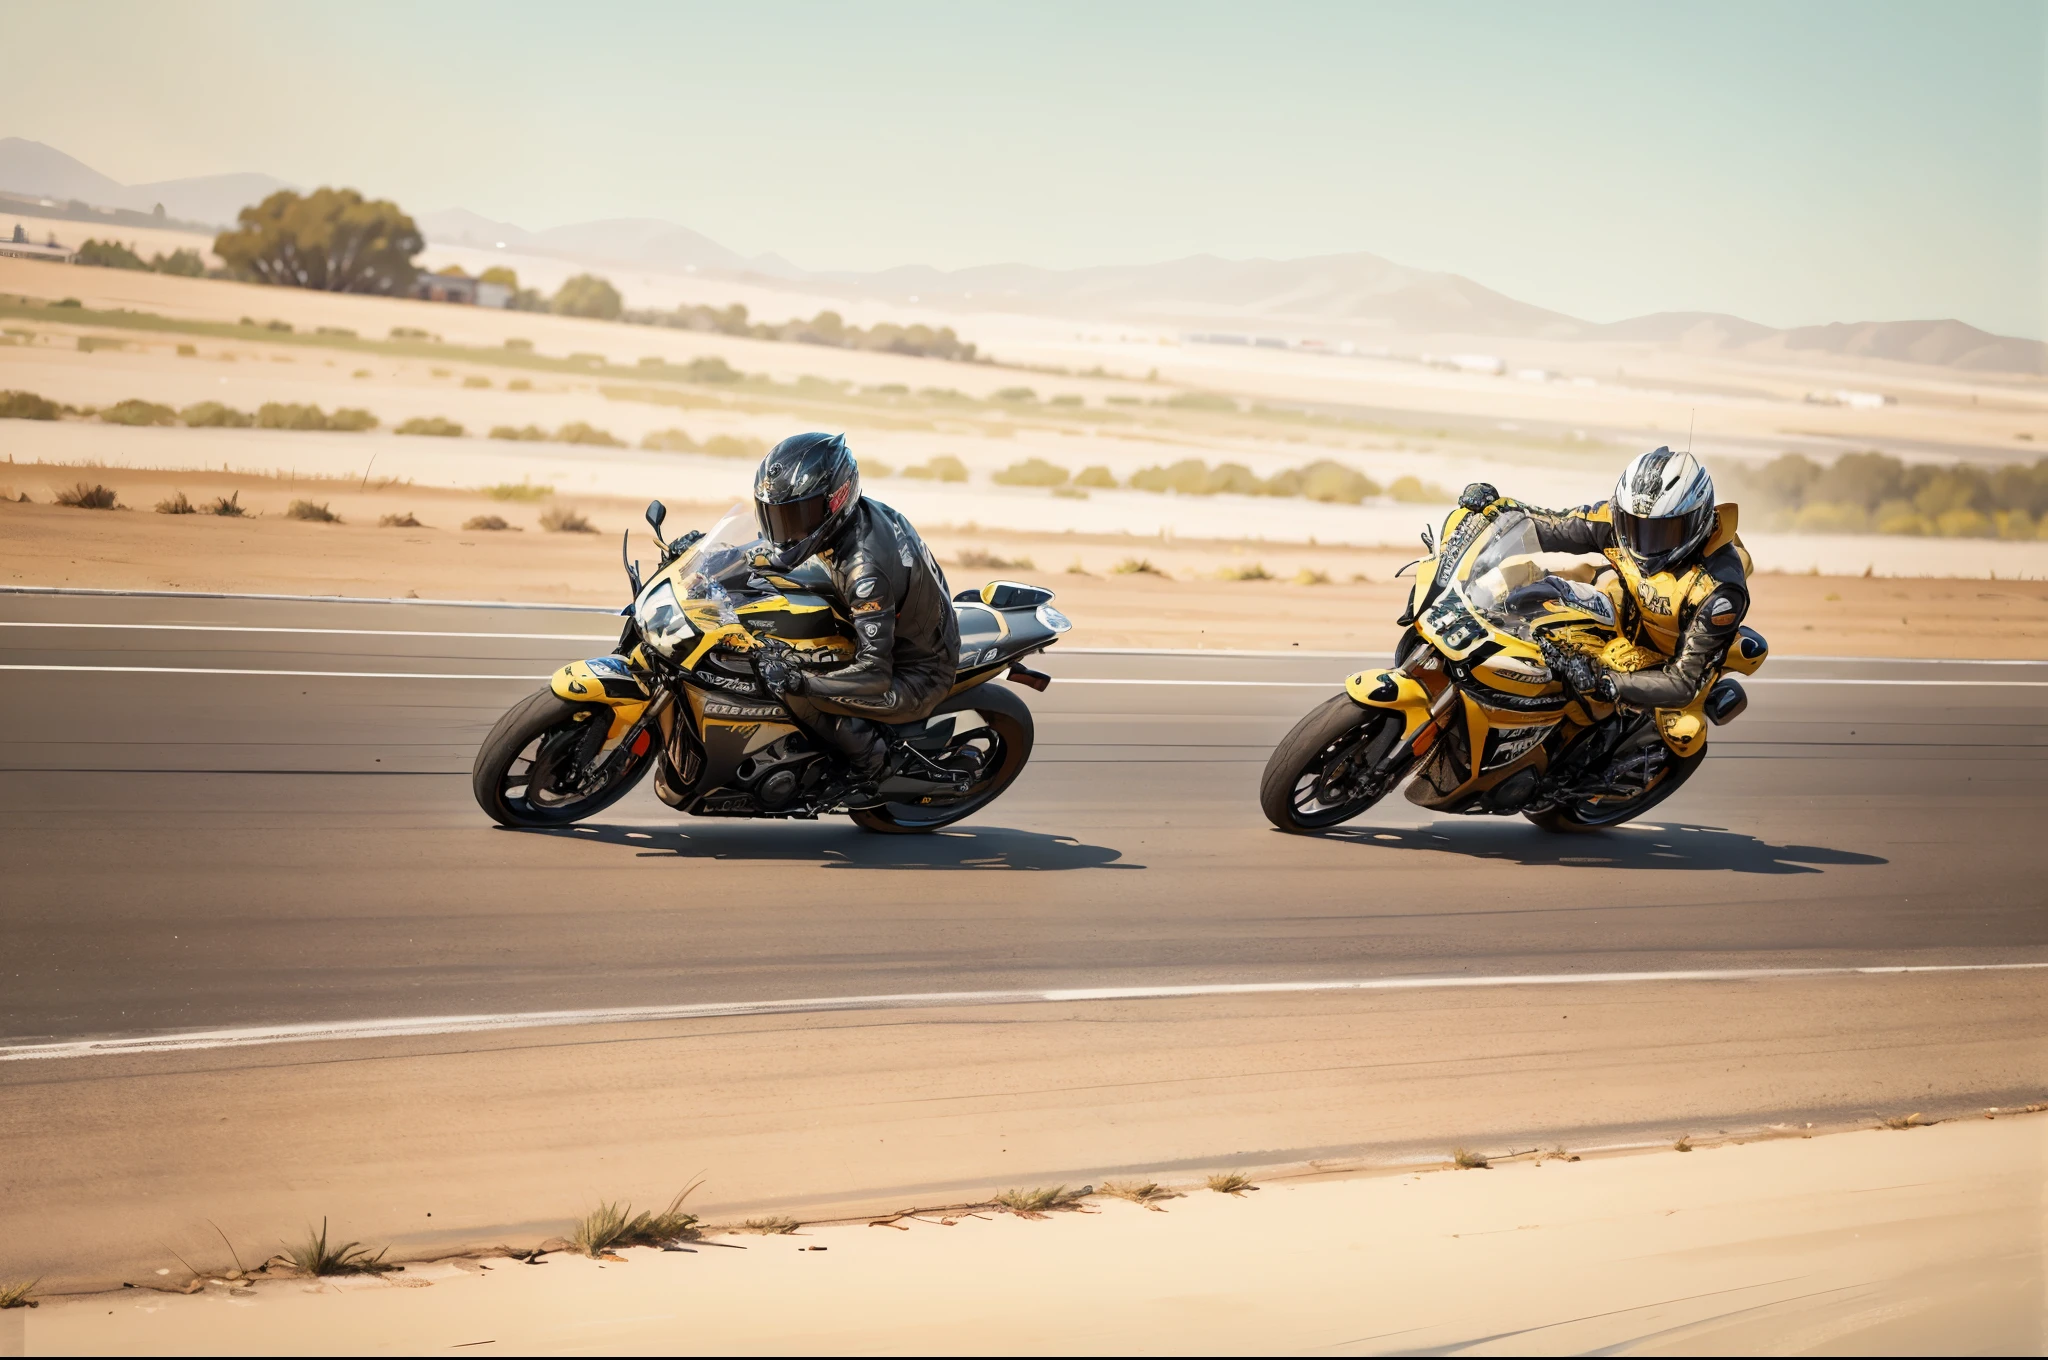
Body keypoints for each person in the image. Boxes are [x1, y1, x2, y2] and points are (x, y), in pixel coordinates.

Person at [747, 432, 961, 804]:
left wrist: (803, 683)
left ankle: (872, 769)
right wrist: (720, 555)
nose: (787, 529)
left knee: (797, 692)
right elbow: (778, 555)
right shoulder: (854, 518)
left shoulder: (865, 573)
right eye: (777, 516)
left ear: (836, 500)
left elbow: (874, 675)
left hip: (914, 674)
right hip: (900, 625)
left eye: (796, 516)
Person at [1463, 446, 1749, 710]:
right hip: (1620, 619)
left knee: (1680, 730)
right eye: (1636, 527)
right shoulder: (1614, 519)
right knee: (1527, 586)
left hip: (1663, 665)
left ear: (1696, 521)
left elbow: (1684, 682)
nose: (1645, 542)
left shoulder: (1719, 589)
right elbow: (1550, 525)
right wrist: (1498, 510)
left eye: (1664, 531)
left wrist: (1605, 682)